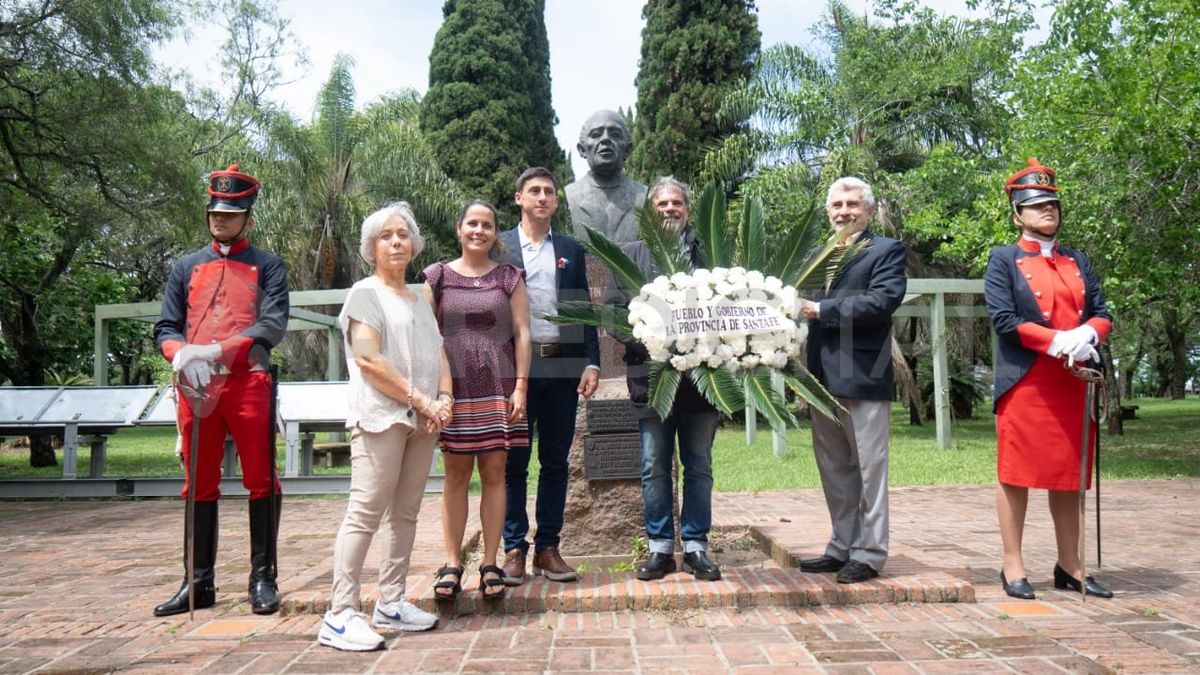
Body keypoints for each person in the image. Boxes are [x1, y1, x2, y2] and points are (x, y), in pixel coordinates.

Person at [153, 163, 289, 616]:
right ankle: (198, 583)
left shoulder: (268, 266)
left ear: (247, 215)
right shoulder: (185, 267)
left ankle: (263, 578)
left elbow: (271, 324)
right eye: (215, 212)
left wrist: (213, 351)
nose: (220, 219)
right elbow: (166, 327)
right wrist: (180, 355)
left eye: (230, 213)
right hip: (195, 388)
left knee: (260, 480)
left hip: (247, 382)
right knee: (198, 483)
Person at [317, 203, 450, 651]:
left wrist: (444, 399)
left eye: (403, 234)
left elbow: (440, 353)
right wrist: (421, 400)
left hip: (422, 419)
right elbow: (369, 360)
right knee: (365, 513)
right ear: (371, 247)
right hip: (382, 416)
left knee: (406, 513)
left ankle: (391, 601)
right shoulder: (364, 294)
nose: (396, 241)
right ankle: (339, 613)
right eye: (386, 236)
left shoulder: (420, 299)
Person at [984, 158, 1114, 600]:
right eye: (1036, 205)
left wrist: (1088, 334)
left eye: (1052, 204)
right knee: (1016, 473)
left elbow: (1102, 312)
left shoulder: (1077, 259)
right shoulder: (1003, 259)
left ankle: (1070, 565)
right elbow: (1004, 319)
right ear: (1017, 213)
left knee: (1069, 475)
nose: (1048, 212)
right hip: (1028, 381)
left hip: (1072, 382)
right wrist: (1057, 341)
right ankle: (1012, 563)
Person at [797, 177, 907, 584]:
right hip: (820, 376)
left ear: (870, 211)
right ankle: (841, 545)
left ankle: (870, 552)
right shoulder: (817, 254)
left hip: (864, 374)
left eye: (852, 204)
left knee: (869, 470)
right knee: (834, 467)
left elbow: (881, 301)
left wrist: (819, 309)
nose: (844, 211)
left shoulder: (886, 251)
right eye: (837, 205)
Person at [495, 167, 600, 585]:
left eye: (549, 192)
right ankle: (514, 548)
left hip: (562, 368)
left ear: (556, 201)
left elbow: (584, 311)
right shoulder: (500, 246)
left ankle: (549, 547)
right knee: (514, 462)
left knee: (555, 461)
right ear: (518, 198)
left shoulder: (571, 249)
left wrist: (591, 361)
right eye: (534, 191)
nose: (542, 197)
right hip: (515, 369)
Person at [422, 200, 531, 600]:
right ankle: (452, 562)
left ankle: (490, 562)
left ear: (495, 233)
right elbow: (425, 336)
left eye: (487, 225)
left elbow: (522, 333)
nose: (479, 231)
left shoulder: (509, 277)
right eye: (472, 223)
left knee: (495, 474)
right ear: (459, 228)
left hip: (499, 387)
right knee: (454, 475)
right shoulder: (436, 276)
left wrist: (521, 386)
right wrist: (437, 392)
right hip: (453, 388)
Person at [616, 176, 722, 582]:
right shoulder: (630, 257)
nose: (670, 210)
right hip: (651, 380)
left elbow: (732, 305)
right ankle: (660, 548)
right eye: (661, 204)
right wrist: (655, 339)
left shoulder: (711, 257)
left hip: (702, 383)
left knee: (699, 465)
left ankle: (696, 546)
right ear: (649, 212)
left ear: (688, 211)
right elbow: (613, 313)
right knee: (653, 466)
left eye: (677, 203)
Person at [564, 109, 648, 244]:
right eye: (596, 134)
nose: (605, 139)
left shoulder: (646, 195)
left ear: (627, 149)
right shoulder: (567, 197)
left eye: (615, 134)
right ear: (582, 149)